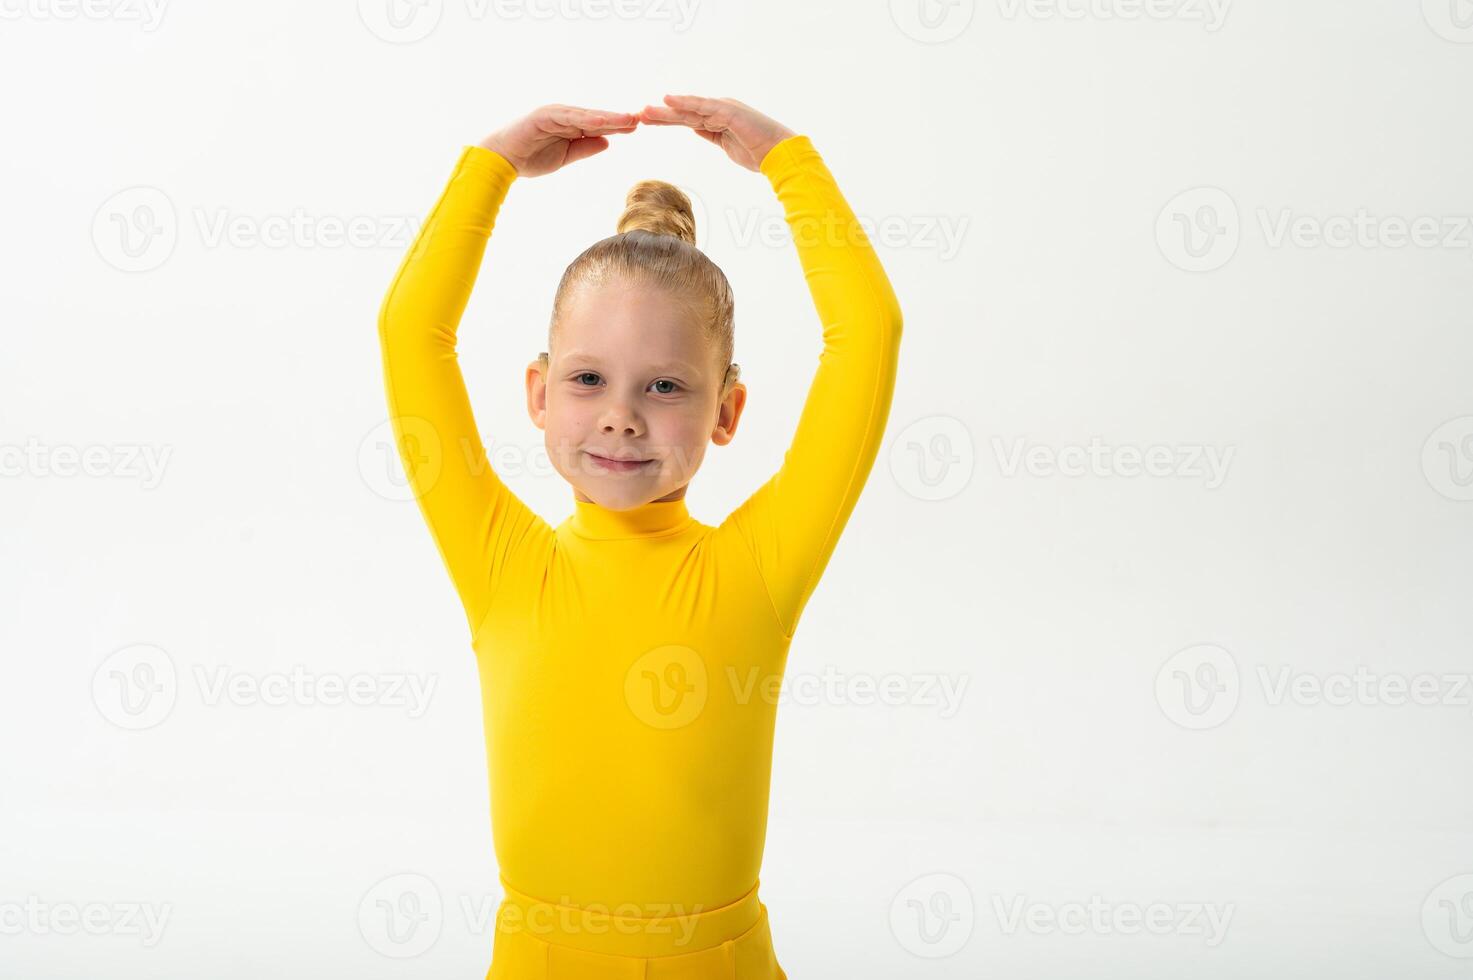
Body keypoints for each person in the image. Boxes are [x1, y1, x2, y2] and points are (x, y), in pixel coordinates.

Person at [377, 94, 904, 979]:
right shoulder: (503, 563)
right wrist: (490, 166)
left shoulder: (756, 567)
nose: (619, 419)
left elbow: (868, 338)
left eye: (664, 387)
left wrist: (790, 165)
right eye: (588, 379)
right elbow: (408, 334)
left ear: (726, 411)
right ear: (538, 393)